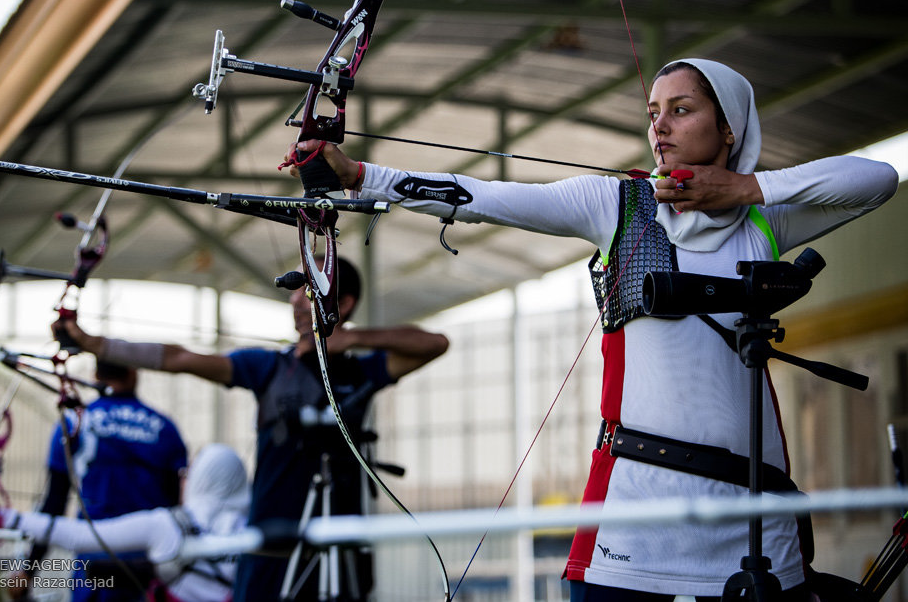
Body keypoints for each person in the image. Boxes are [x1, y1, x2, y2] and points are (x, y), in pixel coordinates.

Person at [286, 59, 900, 601]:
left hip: (753, 517)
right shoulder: (618, 206)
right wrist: (361, 176)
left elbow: (877, 180)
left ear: (729, 129)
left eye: (681, 111)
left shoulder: (766, 221)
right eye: (654, 112)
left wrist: (744, 187)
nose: (659, 126)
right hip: (638, 515)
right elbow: (482, 195)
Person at [51, 256, 450, 601]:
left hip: (337, 540)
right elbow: (181, 358)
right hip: (268, 542)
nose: (295, 299)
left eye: (307, 289)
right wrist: (97, 345)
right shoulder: (268, 368)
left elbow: (436, 343)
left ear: (342, 303)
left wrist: (350, 338)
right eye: (294, 289)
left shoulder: (361, 372)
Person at [0, 442, 249, 602]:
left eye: (190, 472)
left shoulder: (167, 525)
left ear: (203, 477)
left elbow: (79, 536)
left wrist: (3, 516)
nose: (184, 480)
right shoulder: (253, 533)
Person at [28, 359, 189, 601]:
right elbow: (174, 506)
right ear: (133, 373)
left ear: (95, 375)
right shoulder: (164, 428)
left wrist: (28, 569)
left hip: (93, 565)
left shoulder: (73, 424)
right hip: (148, 567)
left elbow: (54, 502)